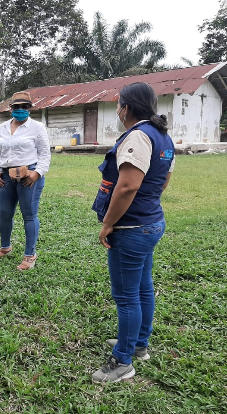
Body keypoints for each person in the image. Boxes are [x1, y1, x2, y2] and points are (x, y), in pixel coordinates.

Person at [91, 82, 175, 383]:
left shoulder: (138, 136)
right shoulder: (163, 136)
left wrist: (108, 223)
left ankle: (122, 361)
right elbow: (163, 181)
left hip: (131, 228)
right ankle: (139, 344)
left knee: (127, 297)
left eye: (118, 105)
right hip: (151, 222)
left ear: (125, 108)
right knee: (142, 288)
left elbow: (127, 187)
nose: (117, 110)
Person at [0, 91, 51, 270]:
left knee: (29, 215)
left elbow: (45, 154)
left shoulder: (37, 127)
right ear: (10, 108)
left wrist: (37, 173)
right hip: (6, 175)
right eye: (16, 106)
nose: (20, 109)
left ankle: (30, 255)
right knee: (5, 213)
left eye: (25, 106)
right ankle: (5, 247)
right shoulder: (2, 127)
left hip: (29, 176)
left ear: (30, 108)